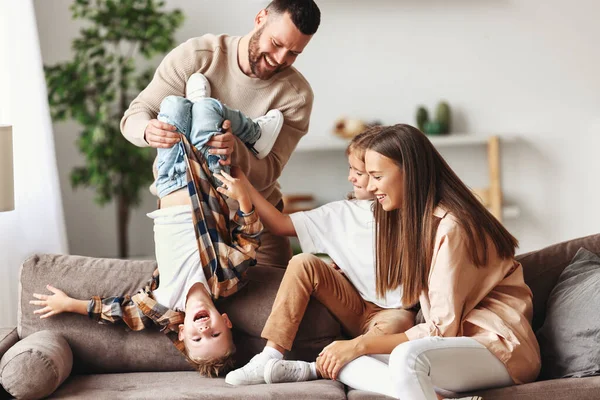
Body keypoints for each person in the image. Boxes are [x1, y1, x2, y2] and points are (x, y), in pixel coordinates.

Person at [307, 124, 541, 400]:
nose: (369, 186)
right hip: (450, 349)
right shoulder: (418, 225)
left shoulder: (455, 227)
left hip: (499, 349)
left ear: (409, 173)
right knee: (343, 360)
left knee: (403, 356)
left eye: (377, 176)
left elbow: (441, 328)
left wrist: (362, 343)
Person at [30, 135, 263, 377]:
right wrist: (244, 198)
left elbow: (120, 312)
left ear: (182, 332)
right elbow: (249, 243)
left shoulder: (162, 303)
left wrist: (70, 304)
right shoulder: (226, 279)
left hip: (169, 184)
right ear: (226, 321)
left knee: (172, 110)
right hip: (206, 179)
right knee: (206, 111)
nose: (204, 329)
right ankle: (253, 132)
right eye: (214, 334)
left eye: (197, 338)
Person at [120, 0, 321, 269]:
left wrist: (234, 150)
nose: (280, 59)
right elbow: (136, 115)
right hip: (185, 216)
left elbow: (269, 171)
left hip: (254, 221)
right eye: (276, 43)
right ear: (260, 18)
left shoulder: (295, 96)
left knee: (273, 307)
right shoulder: (197, 56)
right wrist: (147, 130)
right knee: (191, 306)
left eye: (293, 53)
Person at [223, 127, 416, 387]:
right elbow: (280, 224)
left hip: (392, 315)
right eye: (352, 170)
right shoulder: (340, 214)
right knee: (304, 262)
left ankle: (313, 369)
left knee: (402, 321)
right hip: (354, 305)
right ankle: (269, 356)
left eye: (359, 173)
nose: (351, 178)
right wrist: (244, 186)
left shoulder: (414, 218)